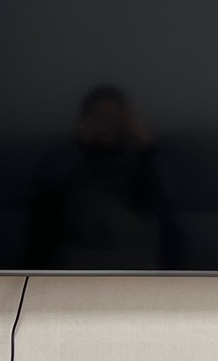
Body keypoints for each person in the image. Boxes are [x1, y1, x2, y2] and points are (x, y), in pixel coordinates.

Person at [27, 85, 178, 269]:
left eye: (115, 118)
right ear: (84, 120)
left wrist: (146, 145)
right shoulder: (65, 157)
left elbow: (166, 197)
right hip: (77, 265)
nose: (107, 124)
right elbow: (47, 197)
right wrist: (84, 143)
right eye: (99, 117)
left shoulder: (141, 160)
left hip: (135, 267)